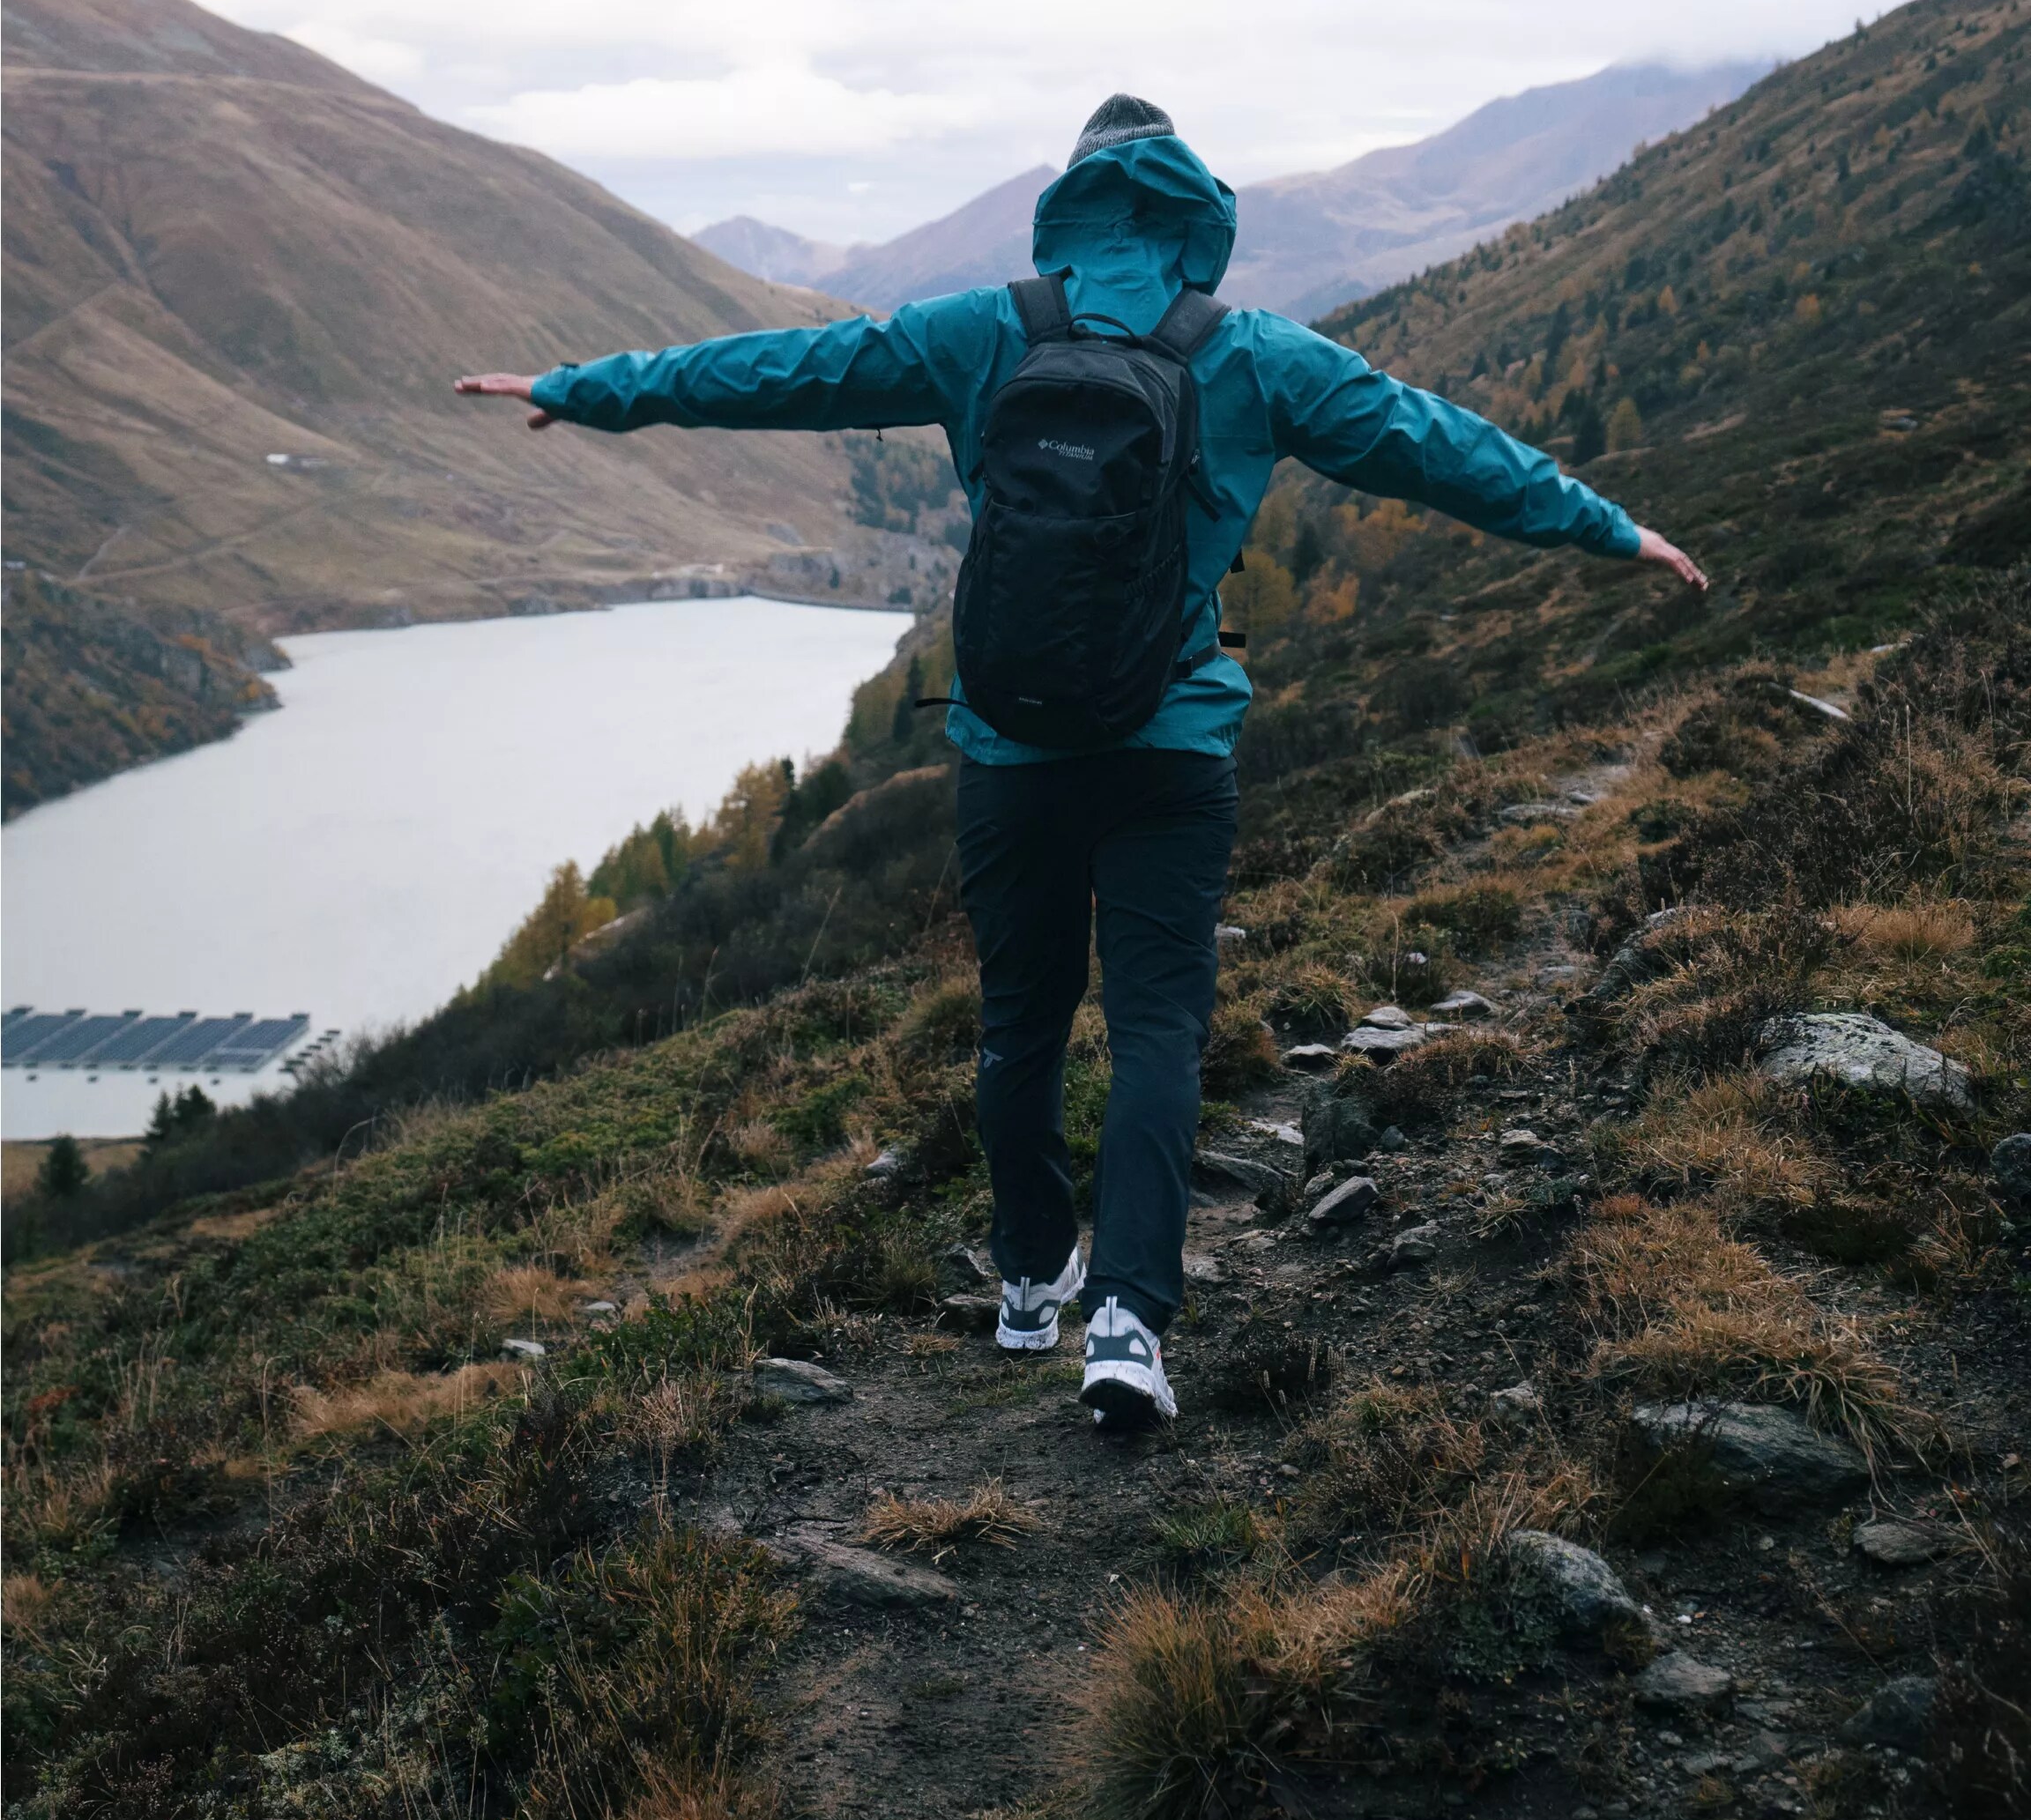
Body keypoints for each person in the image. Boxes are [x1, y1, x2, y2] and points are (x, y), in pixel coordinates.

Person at [458, 93, 1707, 1428]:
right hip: (1170, 745)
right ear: (1190, 208)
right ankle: (1127, 1319)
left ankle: (1024, 1278)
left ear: (1073, 197)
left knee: (1021, 1022)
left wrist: (589, 393)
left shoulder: (983, 330)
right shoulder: (1255, 355)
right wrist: (1608, 529)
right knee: (1161, 1023)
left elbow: (781, 370)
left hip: (1012, 746)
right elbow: (1441, 447)